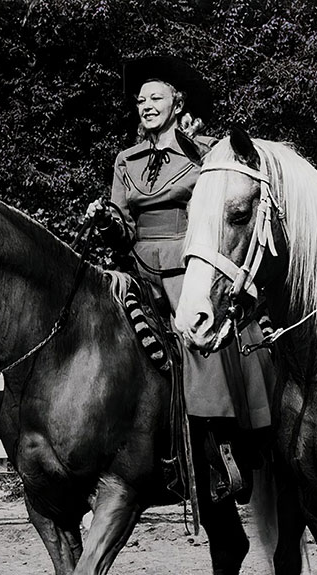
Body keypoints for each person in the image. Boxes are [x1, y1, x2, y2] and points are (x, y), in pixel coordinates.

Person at [85, 54, 273, 501]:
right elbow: (123, 223)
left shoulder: (203, 151)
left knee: (197, 333)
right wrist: (108, 220)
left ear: (176, 102)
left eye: (156, 96)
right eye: (141, 99)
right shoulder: (126, 160)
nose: (146, 105)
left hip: (186, 262)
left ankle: (219, 444)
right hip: (134, 266)